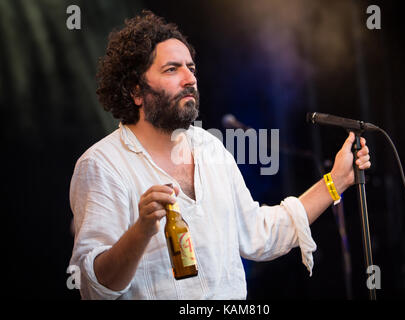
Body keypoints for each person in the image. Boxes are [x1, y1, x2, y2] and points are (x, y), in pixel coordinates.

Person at [69, 10, 371, 300]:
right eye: (172, 69)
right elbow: (94, 288)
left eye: (191, 68)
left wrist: (335, 182)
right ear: (136, 91)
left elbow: (259, 233)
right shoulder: (102, 165)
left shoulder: (209, 147)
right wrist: (141, 230)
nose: (189, 79)